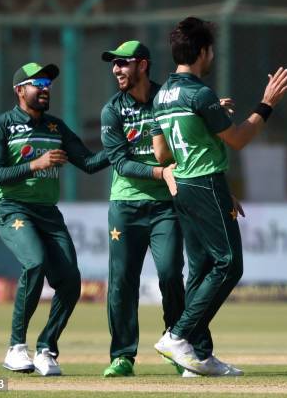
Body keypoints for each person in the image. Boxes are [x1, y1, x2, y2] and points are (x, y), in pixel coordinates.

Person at [151, 16, 287, 376]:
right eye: (211, 50)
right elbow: (240, 139)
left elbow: (162, 155)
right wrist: (267, 103)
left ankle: (196, 356)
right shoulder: (199, 93)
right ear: (202, 52)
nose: (212, 56)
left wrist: (203, 123)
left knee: (199, 269)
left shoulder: (163, 94)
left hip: (182, 185)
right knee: (229, 264)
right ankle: (178, 335)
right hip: (204, 183)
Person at [0, 62, 109, 376]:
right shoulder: (2, 126)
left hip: (48, 213)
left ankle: (46, 349)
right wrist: (35, 164)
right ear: (19, 90)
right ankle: (15, 348)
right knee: (35, 262)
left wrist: (123, 146)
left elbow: (90, 163)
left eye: (48, 83)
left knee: (70, 282)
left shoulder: (55, 128)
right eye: (37, 83)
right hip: (13, 209)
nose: (44, 88)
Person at [98, 40, 186, 378]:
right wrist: (160, 172)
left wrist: (210, 115)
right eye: (114, 64)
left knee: (169, 275)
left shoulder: (168, 99)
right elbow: (120, 162)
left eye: (123, 63)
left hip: (166, 206)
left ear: (143, 65)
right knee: (122, 281)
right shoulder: (112, 109)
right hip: (126, 206)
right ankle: (122, 355)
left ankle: (177, 344)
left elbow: (190, 132)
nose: (116, 69)